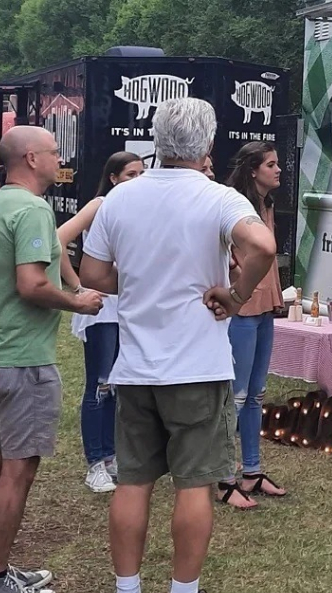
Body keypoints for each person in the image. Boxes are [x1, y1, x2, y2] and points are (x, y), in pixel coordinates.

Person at [79, 98, 277, 593]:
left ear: (156, 142)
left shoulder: (121, 198)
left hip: (137, 368)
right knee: (194, 486)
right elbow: (265, 248)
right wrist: (235, 297)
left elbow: (94, 275)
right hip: (198, 366)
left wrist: (143, 281)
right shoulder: (218, 198)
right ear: (208, 144)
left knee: (132, 482)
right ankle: (182, 588)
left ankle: (128, 586)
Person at [0, 126, 103, 593]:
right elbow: (32, 284)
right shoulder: (32, 209)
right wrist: (78, 302)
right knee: (17, 472)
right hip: (24, 362)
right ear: (30, 158)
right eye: (54, 152)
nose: (59, 159)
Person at [58, 153, 145, 493]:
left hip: (131, 308)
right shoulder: (99, 205)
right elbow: (58, 239)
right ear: (113, 178)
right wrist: (78, 286)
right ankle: (95, 462)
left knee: (123, 385)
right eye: (129, 174)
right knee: (100, 384)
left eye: (142, 173)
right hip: (101, 309)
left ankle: (113, 456)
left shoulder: (144, 209)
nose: (137, 180)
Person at [217, 142, 287, 509]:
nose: (278, 170)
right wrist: (239, 278)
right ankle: (225, 477)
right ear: (253, 170)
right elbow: (226, 252)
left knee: (257, 392)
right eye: (271, 164)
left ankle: (253, 471)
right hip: (242, 307)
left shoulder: (267, 205)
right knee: (237, 393)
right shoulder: (233, 204)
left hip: (266, 305)